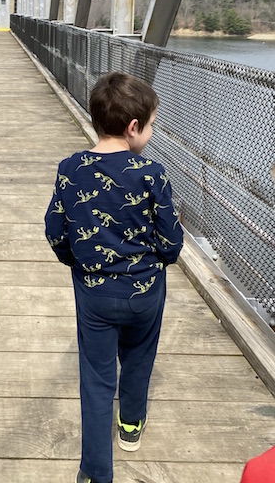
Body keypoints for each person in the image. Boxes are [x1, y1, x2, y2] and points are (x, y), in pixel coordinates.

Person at [44, 72, 184, 483]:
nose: (152, 133)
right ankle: (131, 427)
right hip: (145, 293)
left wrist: (79, 263)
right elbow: (171, 243)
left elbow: (56, 231)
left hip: (94, 295)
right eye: (152, 124)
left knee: (96, 376)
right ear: (134, 127)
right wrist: (155, 259)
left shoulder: (71, 169)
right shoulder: (152, 173)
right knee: (139, 358)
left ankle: (96, 471)